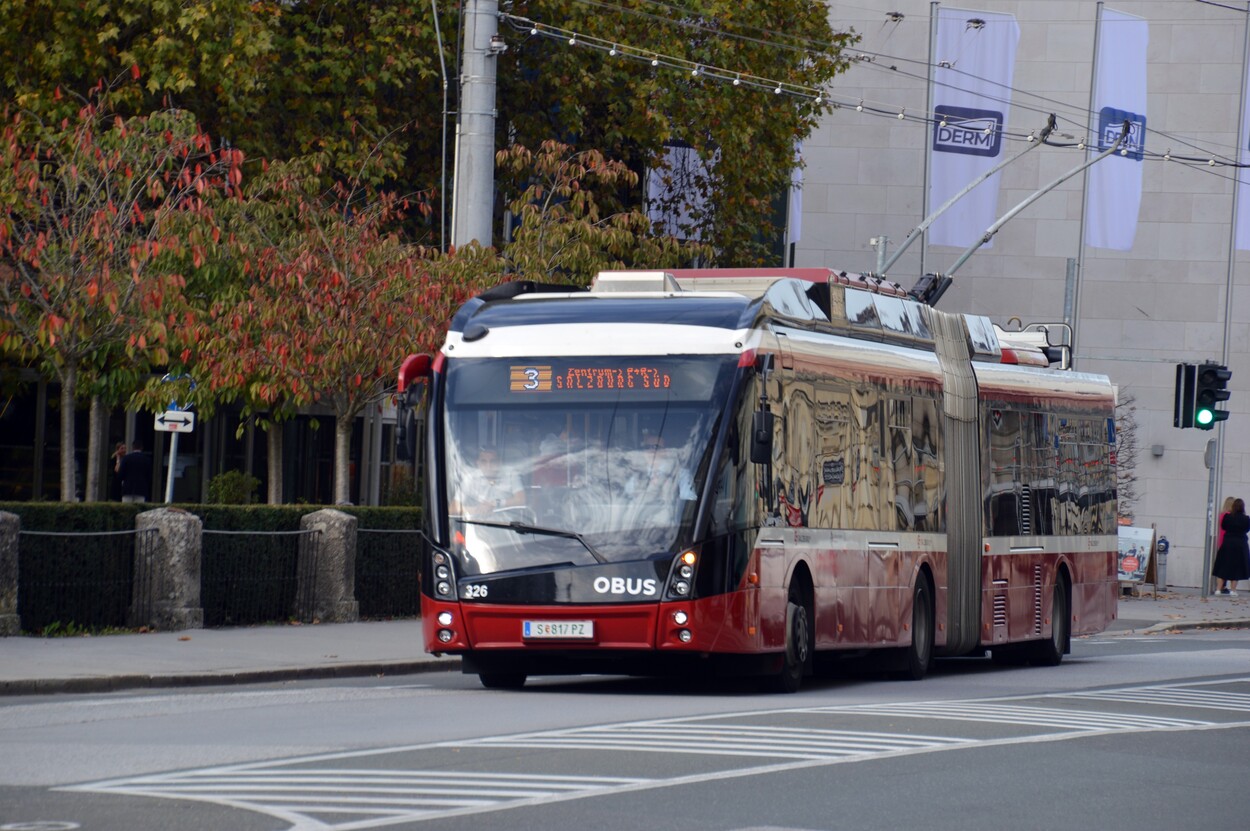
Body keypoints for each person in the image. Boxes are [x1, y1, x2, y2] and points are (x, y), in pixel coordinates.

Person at [450, 446, 525, 517]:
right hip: (477, 523)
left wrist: (496, 503)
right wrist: (477, 510)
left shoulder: (510, 473)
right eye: (483, 461)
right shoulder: (470, 478)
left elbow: (521, 500)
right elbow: (452, 508)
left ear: (499, 462)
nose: (488, 466)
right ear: (478, 463)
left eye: (493, 461)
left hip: (506, 523)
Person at [1212, 497, 1250, 596]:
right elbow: (1247, 529)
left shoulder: (1227, 517)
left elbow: (1223, 526)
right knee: (1236, 567)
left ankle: (1218, 589)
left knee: (1223, 566)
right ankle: (1233, 590)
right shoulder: (1246, 518)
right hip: (1240, 544)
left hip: (1227, 543)